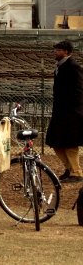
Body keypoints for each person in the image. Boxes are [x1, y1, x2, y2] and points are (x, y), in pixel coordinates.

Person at [45, 40, 83, 183]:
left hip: (71, 113)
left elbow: (78, 90)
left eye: (59, 50)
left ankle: (77, 172)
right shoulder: (60, 67)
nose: (56, 52)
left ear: (66, 52)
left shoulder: (73, 67)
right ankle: (69, 168)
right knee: (55, 141)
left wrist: (74, 110)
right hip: (60, 112)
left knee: (70, 143)